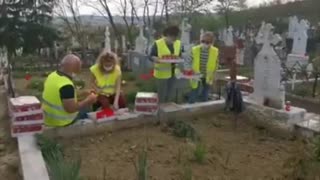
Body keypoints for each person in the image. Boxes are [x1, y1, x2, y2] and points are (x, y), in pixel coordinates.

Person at [42, 54, 98, 127]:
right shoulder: (66, 85)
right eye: (79, 67)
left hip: (48, 119)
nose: (80, 69)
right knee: (87, 110)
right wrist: (88, 100)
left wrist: (83, 93)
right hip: (62, 121)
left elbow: (63, 95)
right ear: (74, 68)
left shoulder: (53, 75)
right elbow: (71, 109)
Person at [149, 25, 183, 103]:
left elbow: (179, 55)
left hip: (173, 72)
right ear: (167, 35)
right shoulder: (158, 43)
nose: (174, 40)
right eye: (172, 37)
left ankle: (168, 110)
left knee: (170, 94)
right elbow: (151, 56)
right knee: (161, 95)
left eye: (175, 37)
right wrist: (156, 59)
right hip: (161, 74)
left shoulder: (178, 43)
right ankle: (160, 111)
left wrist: (178, 59)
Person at [187, 32, 219, 103]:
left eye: (207, 42)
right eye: (202, 41)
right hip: (196, 74)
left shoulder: (215, 51)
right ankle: (191, 105)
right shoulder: (195, 49)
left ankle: (203, 106)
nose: (204, 43)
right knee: (194, 90)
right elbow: (189, 61)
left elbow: (216, 63)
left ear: (211, 42)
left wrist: (215, 73)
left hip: (208, 75)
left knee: (205, 92)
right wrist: (190, 71)